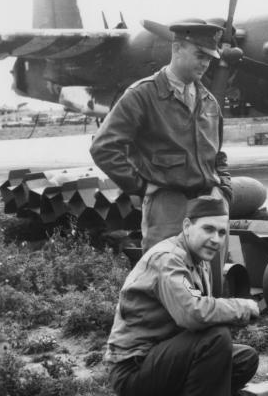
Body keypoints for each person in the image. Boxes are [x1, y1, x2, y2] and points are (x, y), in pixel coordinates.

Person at [105, 195, 260, 396]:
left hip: (162, 358)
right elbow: (193, 314)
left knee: (243, 359)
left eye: (221, 232)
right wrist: (242, 307)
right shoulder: (170, 259)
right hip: (133, 369)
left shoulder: (198, 258)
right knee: (216, 338)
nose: (215, 239)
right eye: (208, 229)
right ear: (187, 226)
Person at [89, 19, 233, 255]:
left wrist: (224, 189)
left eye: (209, 58)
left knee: (208, 283)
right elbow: (103, 147)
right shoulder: (142, 95)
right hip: (167, 206)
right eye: (199, 55)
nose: (205, 63)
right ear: (177, 49)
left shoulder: (209, 101)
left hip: (209, 204)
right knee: (165, 275)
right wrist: (141, 186)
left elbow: (217, 155)